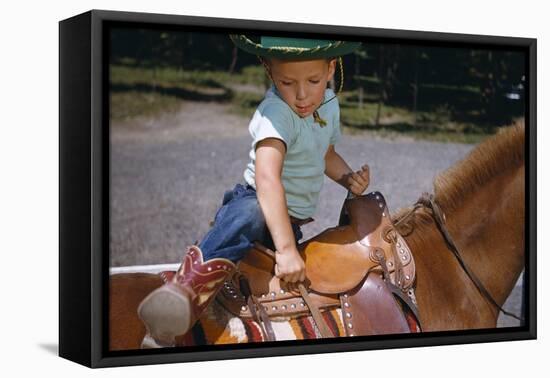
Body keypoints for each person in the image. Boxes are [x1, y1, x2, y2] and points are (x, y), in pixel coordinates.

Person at [138, 35, 370, 346]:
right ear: (269, 71)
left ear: (330, 69)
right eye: (287, 82)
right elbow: (267, 178)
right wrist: (286, 250)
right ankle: (182, 293)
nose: (302, 95)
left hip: (290, 224)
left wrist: (347, 178)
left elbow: (324, 153)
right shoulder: (275, 112)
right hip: (257, 200)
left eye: (313, 80)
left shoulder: (328, 104)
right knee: (249, 213)